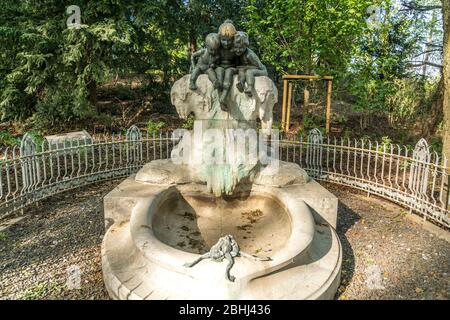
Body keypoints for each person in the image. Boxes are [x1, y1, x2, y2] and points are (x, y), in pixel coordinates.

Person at [233, 31, 268, 97]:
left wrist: (246, 67)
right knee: (241, 70)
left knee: (249, 72)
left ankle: (250, 88)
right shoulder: (238, 54)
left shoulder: (249, 55)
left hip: (262, 70)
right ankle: (241, 83)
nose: (238, 50)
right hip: (248, 68)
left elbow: (258, 67)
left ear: (245, 46)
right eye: (236, 47)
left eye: (240, 48)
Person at [215, 19, 238, 110]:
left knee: (228, 73)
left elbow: (239, 62)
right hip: (219, 67)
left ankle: (223, 97)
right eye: (223, 40)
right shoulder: (217, 47)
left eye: (229, 40)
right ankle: (221, 99)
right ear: (219, 38)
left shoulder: (235, 48)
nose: (226, 43)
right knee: (219, 74)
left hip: (231, 68)